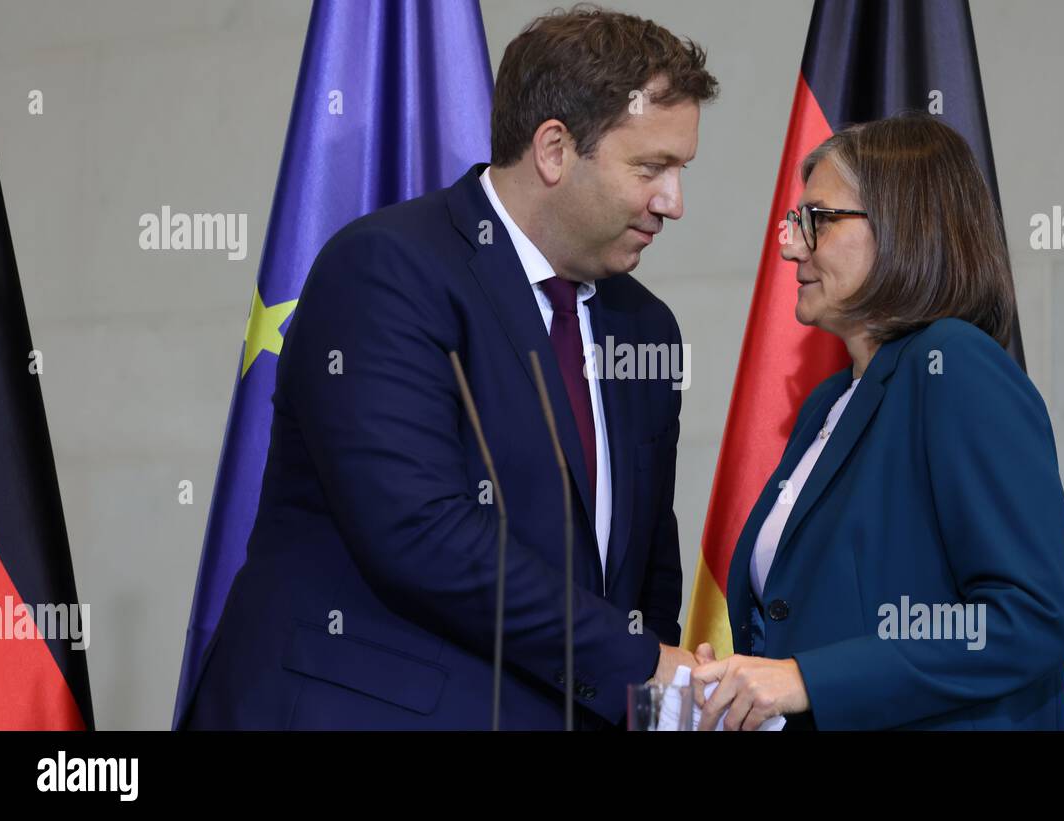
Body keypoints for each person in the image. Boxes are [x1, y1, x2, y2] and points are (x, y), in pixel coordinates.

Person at [180, 6, 718, 730]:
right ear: (555, 149)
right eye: (651, 168)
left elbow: (645, 564)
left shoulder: (645, 326)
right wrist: (643, 666)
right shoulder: (387, 270)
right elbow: (420, 531)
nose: (673, 203)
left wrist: (649, 693)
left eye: (680, 170)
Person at [692, 113, 1064, 730]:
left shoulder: (955, 364)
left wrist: (804, 679)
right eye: (796, 222)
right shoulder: (828, 402)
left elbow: (1029, 617)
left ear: (903, 227)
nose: (790, 244)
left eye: (816, 220)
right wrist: (744, 677)